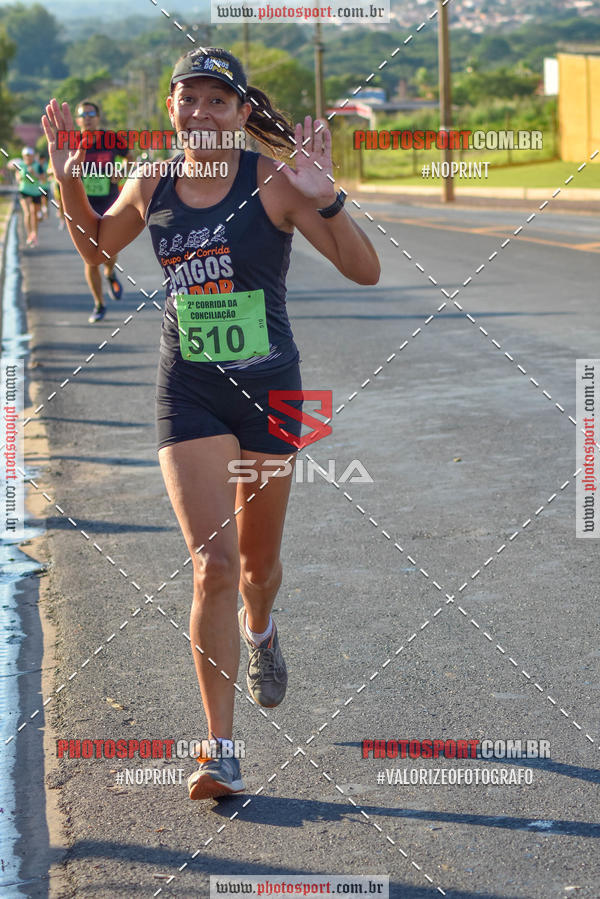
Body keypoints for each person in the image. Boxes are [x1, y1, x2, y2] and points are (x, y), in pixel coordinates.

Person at [43, 47, 380, 800]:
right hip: (189, 389)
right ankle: (219, 749)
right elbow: (97, 246)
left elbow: (366, 271)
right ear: (171, 108)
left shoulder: (276, 183)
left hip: (272, 392)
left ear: (239, 112)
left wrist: (327, 197)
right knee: (213, 565)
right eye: (188, 98)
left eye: (217, 100)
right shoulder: (152, 181)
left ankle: (261, 630)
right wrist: (67, 178)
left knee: (257, 570)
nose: (201, 111)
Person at [74, 100, 128, 322]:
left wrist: (121, 171)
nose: (87, 118)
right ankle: (99, 304)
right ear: (78, 120)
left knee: (108, 250)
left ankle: (110, 272)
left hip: (109, 202)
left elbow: (129, 158)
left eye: (91, 114)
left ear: (97, 117)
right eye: (83, 115)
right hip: (83, 205)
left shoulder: (112, 139)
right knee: (90, 258)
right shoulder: (73, 143)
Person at [11, 147, 45, 246]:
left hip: (35, 192)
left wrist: (34, 174)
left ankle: (35, 234)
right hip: (24, 190)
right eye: (26, 156)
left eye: (29, 155)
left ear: (33, 156)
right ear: (23, 156)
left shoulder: (37, 166)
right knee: (27, 213)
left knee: (34, 214)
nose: (28, 157)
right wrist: (20, 177)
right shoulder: (21, 165)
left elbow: (43, 179)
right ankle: (29, 235)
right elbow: (17, 176)